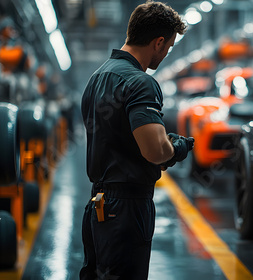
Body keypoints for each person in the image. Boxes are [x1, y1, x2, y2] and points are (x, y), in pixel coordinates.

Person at [79, 1, 192, 279]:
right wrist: (176, 148)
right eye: (168, 47)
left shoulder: (97, 78)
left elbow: (118, 139)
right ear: (158, 42)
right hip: (127, 210)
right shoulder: (140, 82)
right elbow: (155, 151)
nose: (165, 54)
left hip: (98, 205)